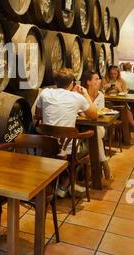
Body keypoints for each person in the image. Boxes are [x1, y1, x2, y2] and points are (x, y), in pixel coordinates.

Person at [35, 68, 98, 197]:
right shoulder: (76, 97)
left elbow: (38, 114)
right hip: (68, 151)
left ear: (56, 82)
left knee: (64, 145)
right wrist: (85, 94)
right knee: (87, 148)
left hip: (47, 147)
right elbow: (94, 115)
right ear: (72, 83)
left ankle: (59, 183)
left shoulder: (45, 93)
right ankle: (65, 184)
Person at [81, 71, 111, 180]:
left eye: (99, 79)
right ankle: (103, 161)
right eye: (96, 79)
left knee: (96, 132)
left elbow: (98, 113)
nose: (100, 81)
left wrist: (90, 112)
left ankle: (91, 166)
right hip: (83, 127)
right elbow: (85, 111)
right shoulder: (82, 94)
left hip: (99, 126)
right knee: (94, 134)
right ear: (88, 82)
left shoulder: (100, 95)